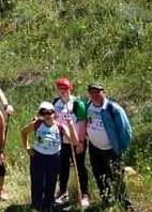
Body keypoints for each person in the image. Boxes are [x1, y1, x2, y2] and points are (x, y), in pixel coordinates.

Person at [21, 101, 79, 212]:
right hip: (38, 157)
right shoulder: (37, 124)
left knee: (51, 182)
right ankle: (37, 205)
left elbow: (75, 142)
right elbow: (24, 132)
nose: (47, 116)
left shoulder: (60, 126)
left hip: (54, 158)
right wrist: (27, 148)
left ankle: (48, 205)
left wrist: (71, 125)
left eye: (49, 113)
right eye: (43, 113)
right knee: (38, 182)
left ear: (54, 113)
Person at [84, 83, 132, 209]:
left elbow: (125, 130)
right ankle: (106, 199)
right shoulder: (88, 106)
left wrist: (121, 148)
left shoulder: (113, 108)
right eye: (92, 92)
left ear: (103, 92)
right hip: (94, 147)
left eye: (97, 92)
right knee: (99, 174)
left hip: (111, 149)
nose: (95, 95)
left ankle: (124, 203)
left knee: (117, 176)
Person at [51, 77, 89, 208]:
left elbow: (83, 124)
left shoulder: (78, 104)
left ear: (70, 89)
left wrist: (81, 142)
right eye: (60, 88)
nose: (62, 91)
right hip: (62, 141)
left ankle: (84, 194)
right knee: (63, 167)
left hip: (77, 141)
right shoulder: (56, 102)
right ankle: (62, 191)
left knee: (80, 167)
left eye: (65, 88)